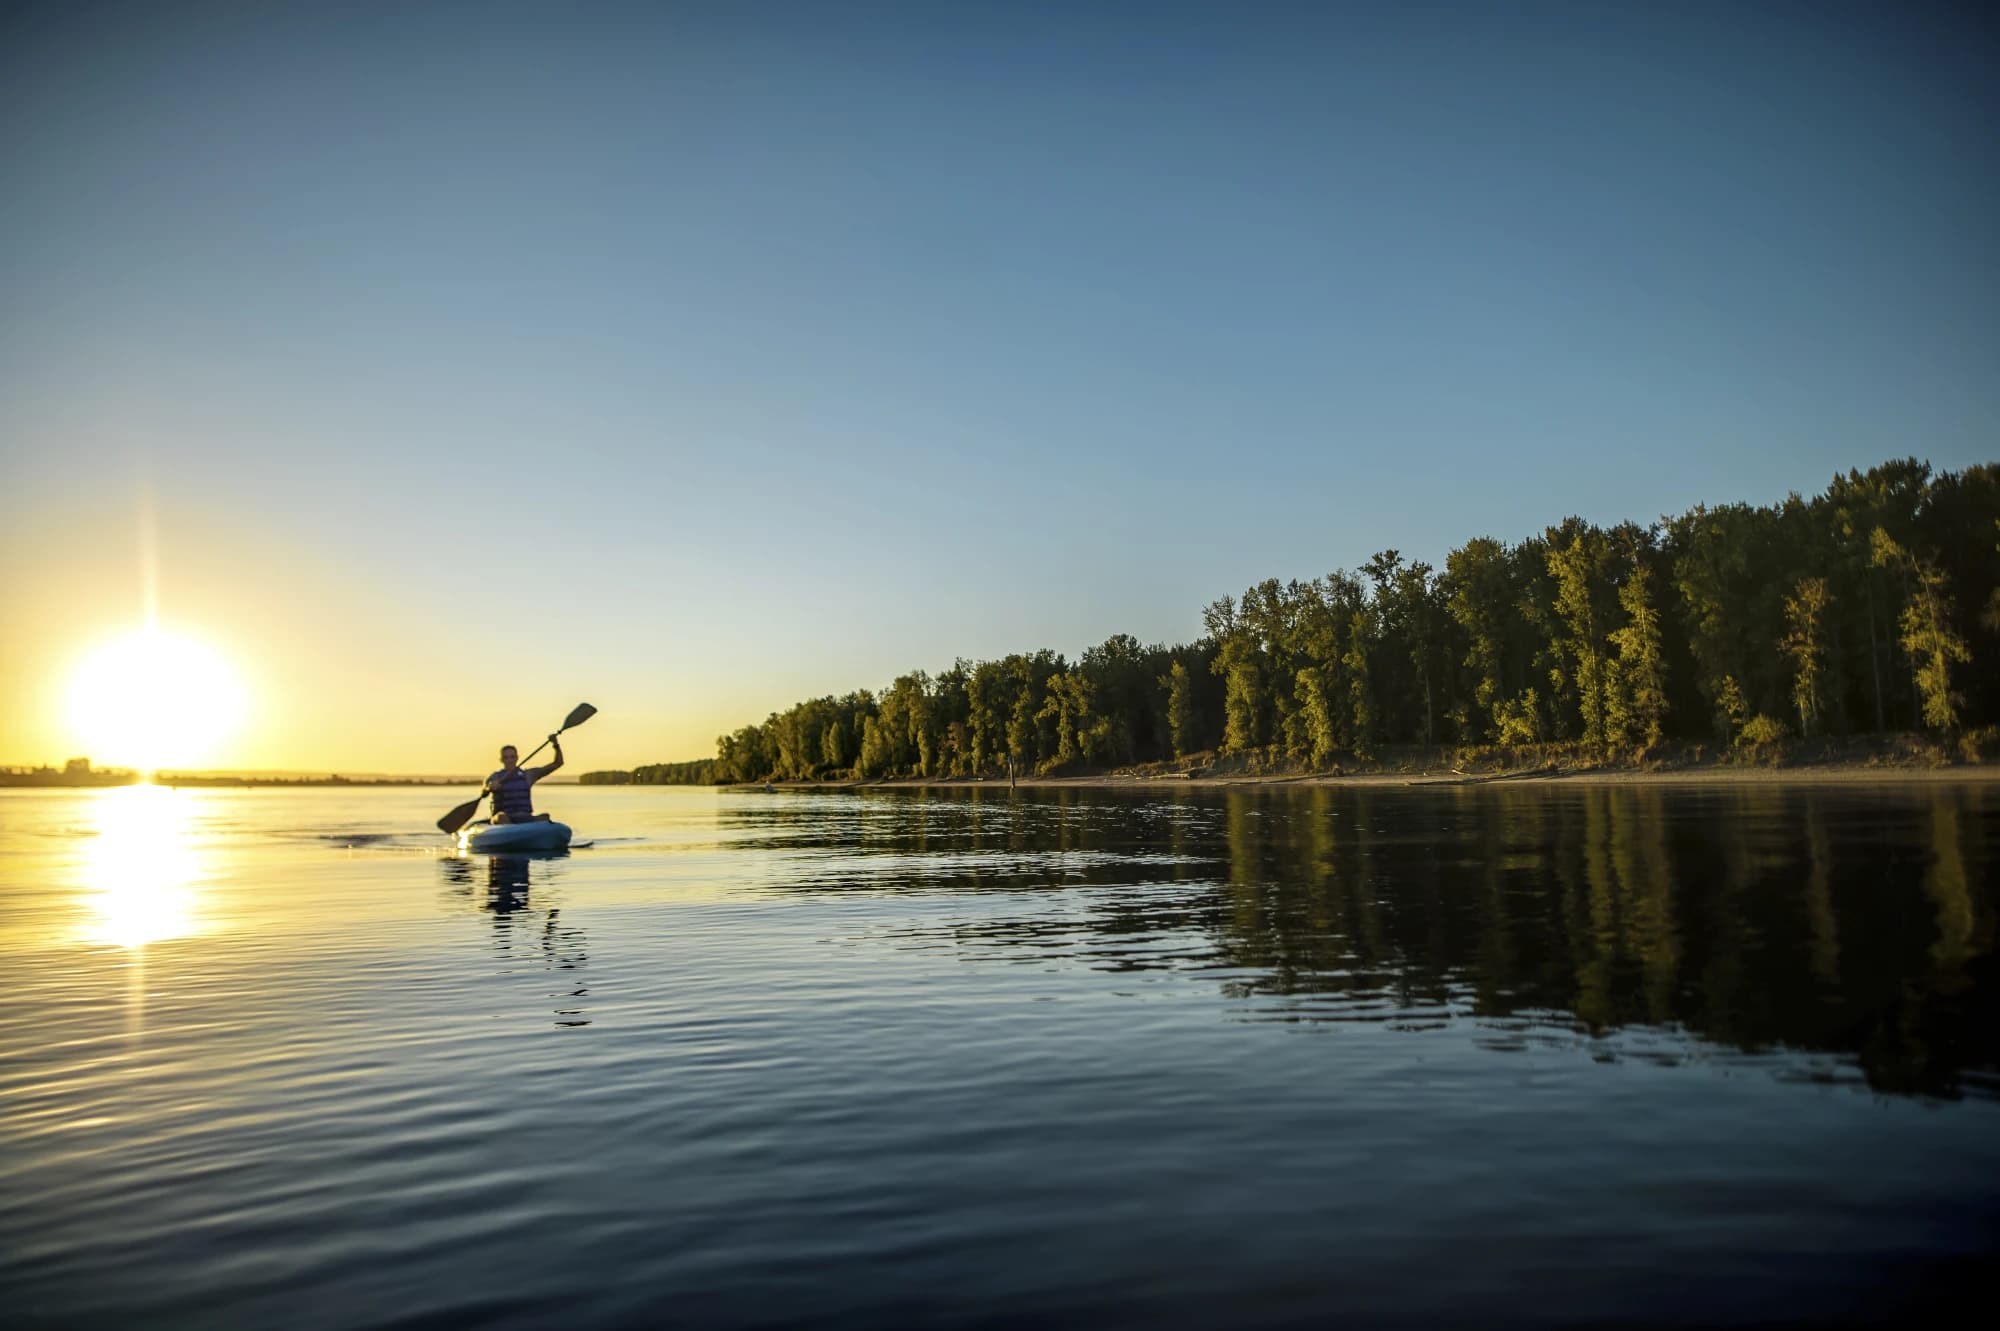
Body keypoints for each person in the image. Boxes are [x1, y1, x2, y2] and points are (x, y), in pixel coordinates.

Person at [485, 735, 562, 824]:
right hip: (502, 818)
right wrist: (490, 787)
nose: (510, 760)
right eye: (506, 758)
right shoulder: (495, 777)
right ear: (501, 760)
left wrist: (556, 745)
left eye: (512, 757)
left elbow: (557, 763)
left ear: (517, 758)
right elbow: (485, 789)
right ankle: (511, 830)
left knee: (545, 816)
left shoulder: (528, 775)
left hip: (524, 817)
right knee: (502, 817)